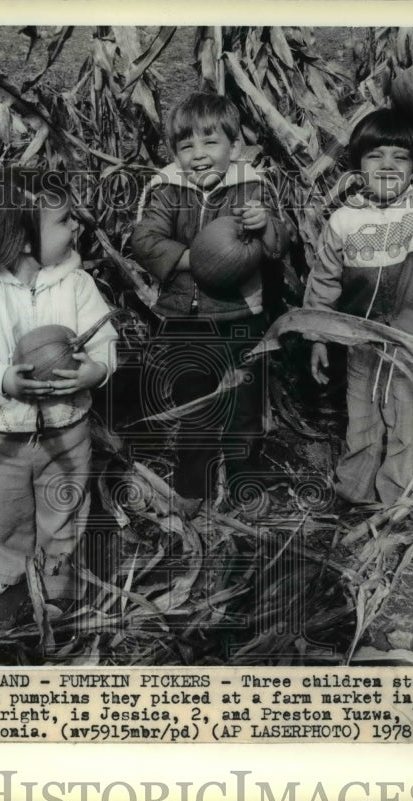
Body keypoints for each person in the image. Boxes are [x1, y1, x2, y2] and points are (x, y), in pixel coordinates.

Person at [0, 166, 117, 602]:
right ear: (22, 237)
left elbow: (104, 336)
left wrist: (97, 370)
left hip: (66, 425)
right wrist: (0, 379)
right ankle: (7, 561)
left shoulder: (76, 284)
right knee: (6, 506)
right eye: (63, 220)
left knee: (65, 502)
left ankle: (58, 567)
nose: (76, 225)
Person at [130, 92, 293, 511]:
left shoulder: (250, 188)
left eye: (210, 143)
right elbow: (145, 242)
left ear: (235, 147)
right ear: (174, 153)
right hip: (186, 320)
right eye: (186, 147)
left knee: (245, 408)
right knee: (195, 406)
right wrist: (198, 260)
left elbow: (279, 244)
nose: (198, 155)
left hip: (241, 314)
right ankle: (192, 487)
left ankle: (245, 484)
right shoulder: (168, 190)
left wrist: (265, 226)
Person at [304, 107, 413, 508]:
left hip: (412, 340)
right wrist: (317, 336)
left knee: (406, 421)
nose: (387, 165)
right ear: (357, 168)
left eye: (400, 157)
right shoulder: (343, 220)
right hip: (362, 338)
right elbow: (325, 281)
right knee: (362, 417)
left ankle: (394, 503)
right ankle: (354, 494)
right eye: (375, 156)